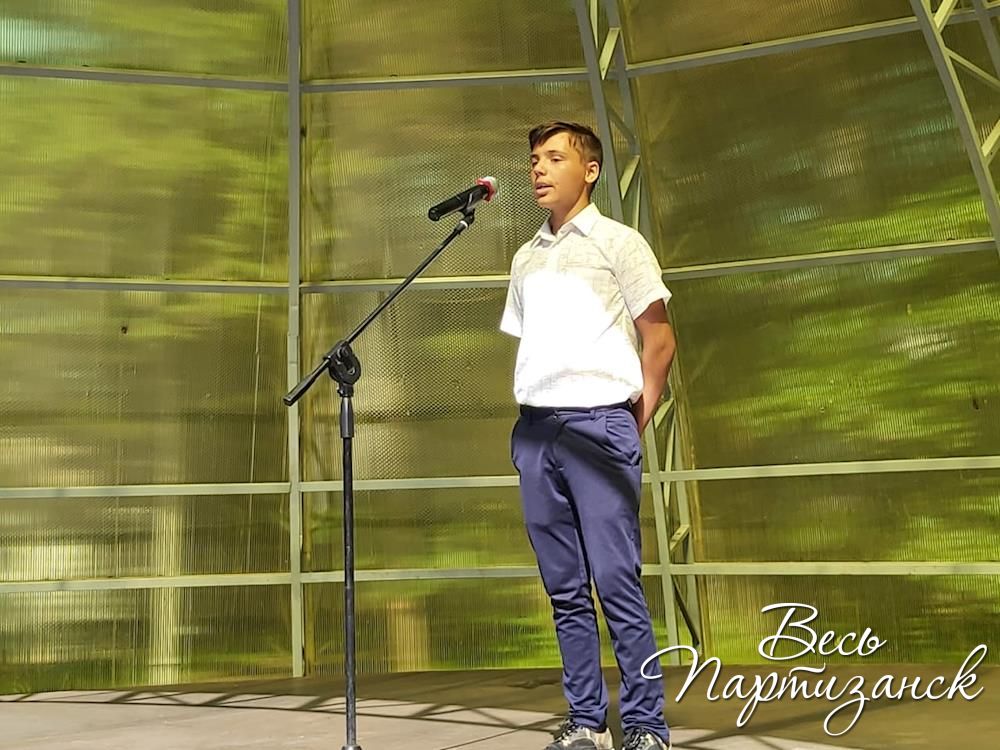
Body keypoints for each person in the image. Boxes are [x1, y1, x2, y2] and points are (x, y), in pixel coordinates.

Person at [500, 121, 676, 750]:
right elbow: (534, 343)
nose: (538, 169)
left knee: (616, 579)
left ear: (591, 170)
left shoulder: (620, 243)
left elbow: (660, 340)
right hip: (536, 428)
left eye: (554, 158)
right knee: (565, 588)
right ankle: (586, 722)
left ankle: (647, 726)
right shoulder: (526, 256)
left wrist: (630, 419)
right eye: (534, 160)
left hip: (600, 422)